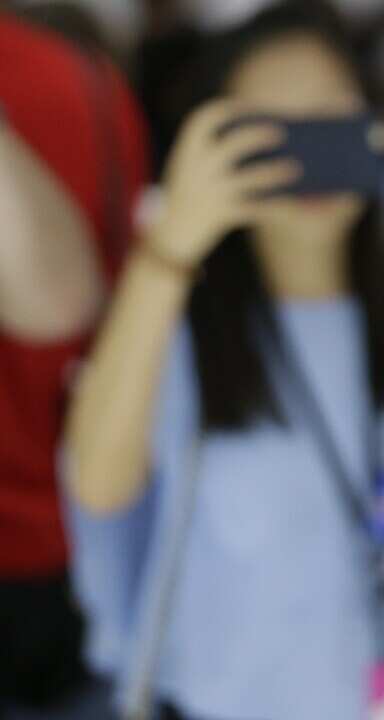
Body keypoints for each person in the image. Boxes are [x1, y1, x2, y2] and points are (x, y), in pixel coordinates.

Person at [62, 3, 384, 717]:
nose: (307, 159)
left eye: (332, 125)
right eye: (272, 134)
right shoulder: (171, 330)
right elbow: (99, 488)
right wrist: (172, 243)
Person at [0, 11, 149, 714]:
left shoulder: (64, 79)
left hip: (63, 533)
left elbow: (64, 302)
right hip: (78, 528)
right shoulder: (79, 74)